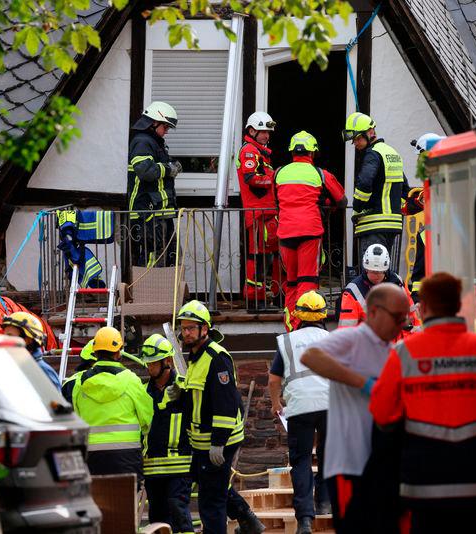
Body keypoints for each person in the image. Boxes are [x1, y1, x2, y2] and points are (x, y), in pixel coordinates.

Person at [369, 272, 476, 533]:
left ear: (424, 307)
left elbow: (382, 414)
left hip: (425, 490)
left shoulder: (404, 354)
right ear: (457, 306)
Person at [300, 284, 411, 534]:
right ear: (374, 312)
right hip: (349, 462)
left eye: (403, 318)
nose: (400, 324)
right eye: (396, 317)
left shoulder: (393, 353)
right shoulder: (353, 339)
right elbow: (310, 357)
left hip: (380, 463)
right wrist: (364, 383)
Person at [176, 301, 265, 534]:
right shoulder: (195, 356)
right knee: (213, 484)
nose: (185, 332)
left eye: (190, 328)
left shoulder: (217, 358)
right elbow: (198, 397)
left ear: (205, 329)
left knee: (210, 499)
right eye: (183, 328)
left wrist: (218, 443)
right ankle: (247, 518)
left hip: (218, 441)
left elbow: (225, 403)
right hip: (202, 441)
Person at [269, 291, 331, 534]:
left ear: (298, 316)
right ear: (323, 315)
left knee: (301, 460)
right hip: (329, 405)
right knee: (328, 456)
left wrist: (276, 404)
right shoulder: (331, 338)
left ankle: (305, 519)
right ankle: (324, 503)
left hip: (299, 408)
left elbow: (274, 381)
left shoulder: (287, 341)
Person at [274, 131, 347, 332]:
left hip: (286, 231)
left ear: (292, 152)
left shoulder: (279, 173)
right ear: (313, 153)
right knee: (307, 281)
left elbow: (278, 201)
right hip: (310, 231)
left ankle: (290, 326)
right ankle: (304, 327)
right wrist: (325, 202)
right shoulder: (320, 174)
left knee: (291, 283)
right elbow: (342, 201)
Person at [70, 326, 154, 477]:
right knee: (126, 499)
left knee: (98, 499)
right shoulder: (131, 380)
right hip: (127, 456)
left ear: (95, 352)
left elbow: (75, 418)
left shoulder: (79, 383)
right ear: (118, 353)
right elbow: (147, 418)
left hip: (92, 456)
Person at [141, 334, 195, 534]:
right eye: (148, 364)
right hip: (153, 468)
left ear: (168, 361)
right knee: (158, 518)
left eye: (153, 363)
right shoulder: (143, 391)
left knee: (178, 508)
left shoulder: (183, 386)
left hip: (179, 464)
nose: (149, 368)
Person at [342, 112, 408, 264]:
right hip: (392, 225)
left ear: (370, 132)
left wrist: (357, 208)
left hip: (373, 224)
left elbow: (364, 183)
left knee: (371, 275)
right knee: (383, 272)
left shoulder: (372, 154)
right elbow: (404, 187)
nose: (355, 144)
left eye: (357, 138)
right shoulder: (392, 153)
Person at [128, 101, 182, 267]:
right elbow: (145, 171)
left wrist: (172, 164)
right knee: (152, 259)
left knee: (168, 256)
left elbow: (158, 168)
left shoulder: (154, 142)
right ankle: (147, 291)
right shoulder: (142, 142)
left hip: (158, 213)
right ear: (153, 123)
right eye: (165, 127)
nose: (166, 132)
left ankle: (161, 291)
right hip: (147, 213)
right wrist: (168, 168)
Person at [237, 111, 282, 311]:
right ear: (252, 130)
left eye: (268, 132)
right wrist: (274, 179)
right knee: (257, 259)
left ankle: (263, 298)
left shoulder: (260, 151)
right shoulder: (249, 150)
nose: (267, 136)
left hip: (266, 214)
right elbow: (251, 178)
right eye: (263, 132)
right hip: (257, 214)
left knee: (266, 257)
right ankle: (255, 301)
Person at [338, 244, 419, 334]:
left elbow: (410, 309)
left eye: (379, 272)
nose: (376, 276)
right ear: (366, 269)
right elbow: (346, 330)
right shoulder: (353, 291)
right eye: (373, 271)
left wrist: (418, 331)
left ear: (385, 270)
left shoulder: (396, 281)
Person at [404, 133, 444, 301]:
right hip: (433, 232)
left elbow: (425, 201)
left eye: (421, 156)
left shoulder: (439, 176)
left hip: (437, 233)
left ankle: (419, 298)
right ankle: (419, 298)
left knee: (425, 269)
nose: (419, 161)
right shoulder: (438, 174)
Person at [2, 311, 61, 390]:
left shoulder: (42, 373)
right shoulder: (10, 368)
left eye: (10, 336)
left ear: (28, 339)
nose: (4, 340)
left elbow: (53, 402)